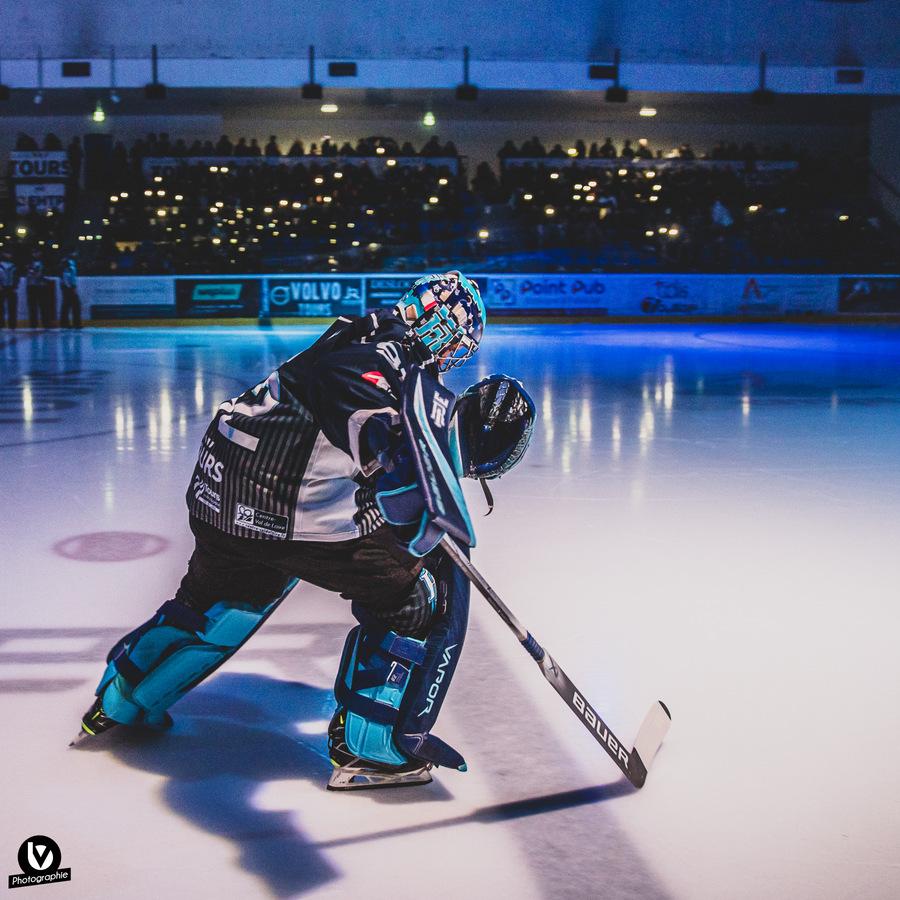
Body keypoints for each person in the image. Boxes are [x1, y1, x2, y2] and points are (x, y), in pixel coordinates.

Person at [73, 273, 536, 792]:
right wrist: (397, 463)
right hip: (281, 510)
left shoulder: (364, 333)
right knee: (419, 597)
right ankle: (374, 747)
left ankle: (123, 699)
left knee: (220, 598)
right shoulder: (384, 358)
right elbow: (357, 394)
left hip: (218, 494)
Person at [26, 251, 54, 329]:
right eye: (35, 252)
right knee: (32, 306)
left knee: (44, 306)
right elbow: (31, 272)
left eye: (38, 252)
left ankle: (46, 323)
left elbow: (47, 272)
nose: (36, 254)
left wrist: (44, 277)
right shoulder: (29, 263)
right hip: (32, 286)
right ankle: (33, 324)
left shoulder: (44, 263)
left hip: (42, 286)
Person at [59, 251, 82, 328]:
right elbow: (65, 275)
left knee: (71, 305)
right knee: (71, 304)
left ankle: (72, 323)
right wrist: (71, 287)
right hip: (68, 287)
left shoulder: (71, 262)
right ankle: (68, 323)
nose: (76, 254)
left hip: (68, 286)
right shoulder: (67, 262)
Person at [0, 251, 17, 328]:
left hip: (11, 288)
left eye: (9, 253)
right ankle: (1, 324)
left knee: (12, 307)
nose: (8, 255)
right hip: (1, 288)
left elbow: (16, 277)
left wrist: (15, 286)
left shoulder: (14, 265)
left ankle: (12, 325)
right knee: (1, 307)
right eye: (6, 253)